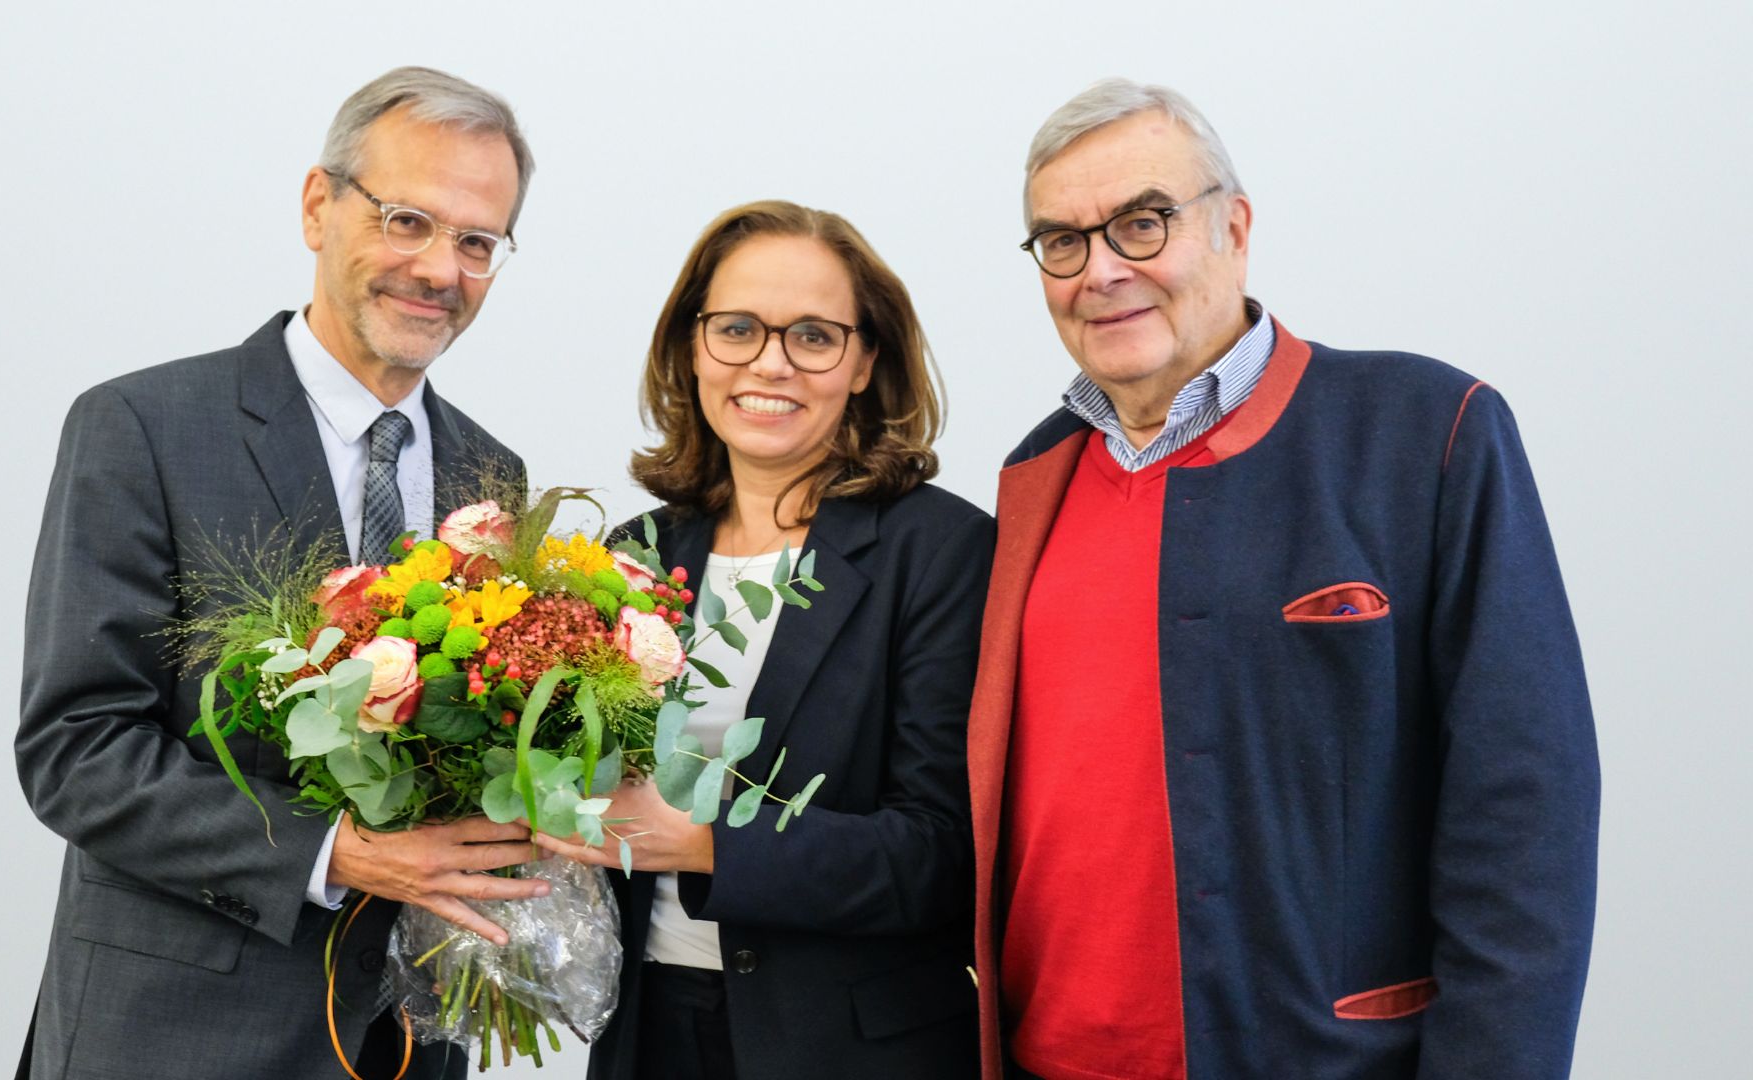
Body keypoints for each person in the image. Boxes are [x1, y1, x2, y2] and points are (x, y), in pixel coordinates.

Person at [967, 79, 1600, 1080]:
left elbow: (1526, 824)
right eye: (1063, 241)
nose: (1102, 270)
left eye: (1142, 223)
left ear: (1236, 226)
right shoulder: (1032, 478)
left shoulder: (1426, 431)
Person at [15, 67, 548, 1080]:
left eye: (478, 242)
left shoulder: (493, 477)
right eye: (407, 220)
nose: (441, 268)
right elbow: (75, 751)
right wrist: (333, 853)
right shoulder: (144, 429)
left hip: (405, 1042)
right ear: (318, 206)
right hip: (174, 1038)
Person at [532, 201, 992, 1079]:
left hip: (850, 1049)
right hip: (649, 1030)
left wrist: (708, 841)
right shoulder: (636, 553)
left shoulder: (942, 553)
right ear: (693, 346)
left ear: (864, 362)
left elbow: (943, 854)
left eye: (813, 336)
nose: (769, 363)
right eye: (737, 328)